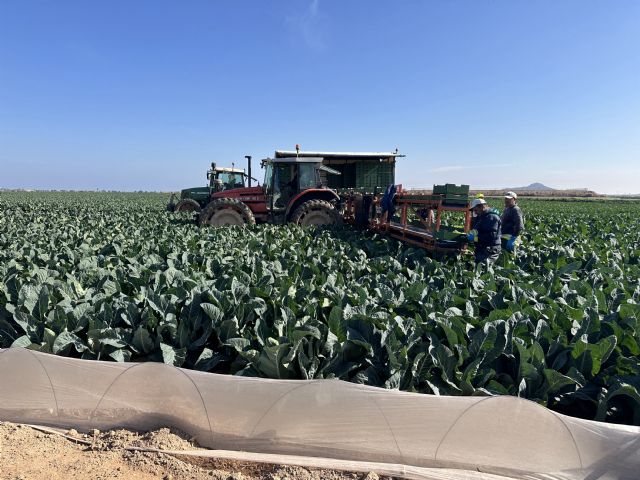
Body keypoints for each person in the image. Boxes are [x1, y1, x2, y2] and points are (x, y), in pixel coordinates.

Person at [467, 198, 502, 264]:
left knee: (483, 267)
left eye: (476, 210)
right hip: (483, 247)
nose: (475, 212)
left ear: (482, 207)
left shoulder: (491, 217)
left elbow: (490, 236)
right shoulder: (481, 216)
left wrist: (475, 237)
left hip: (491, 249)